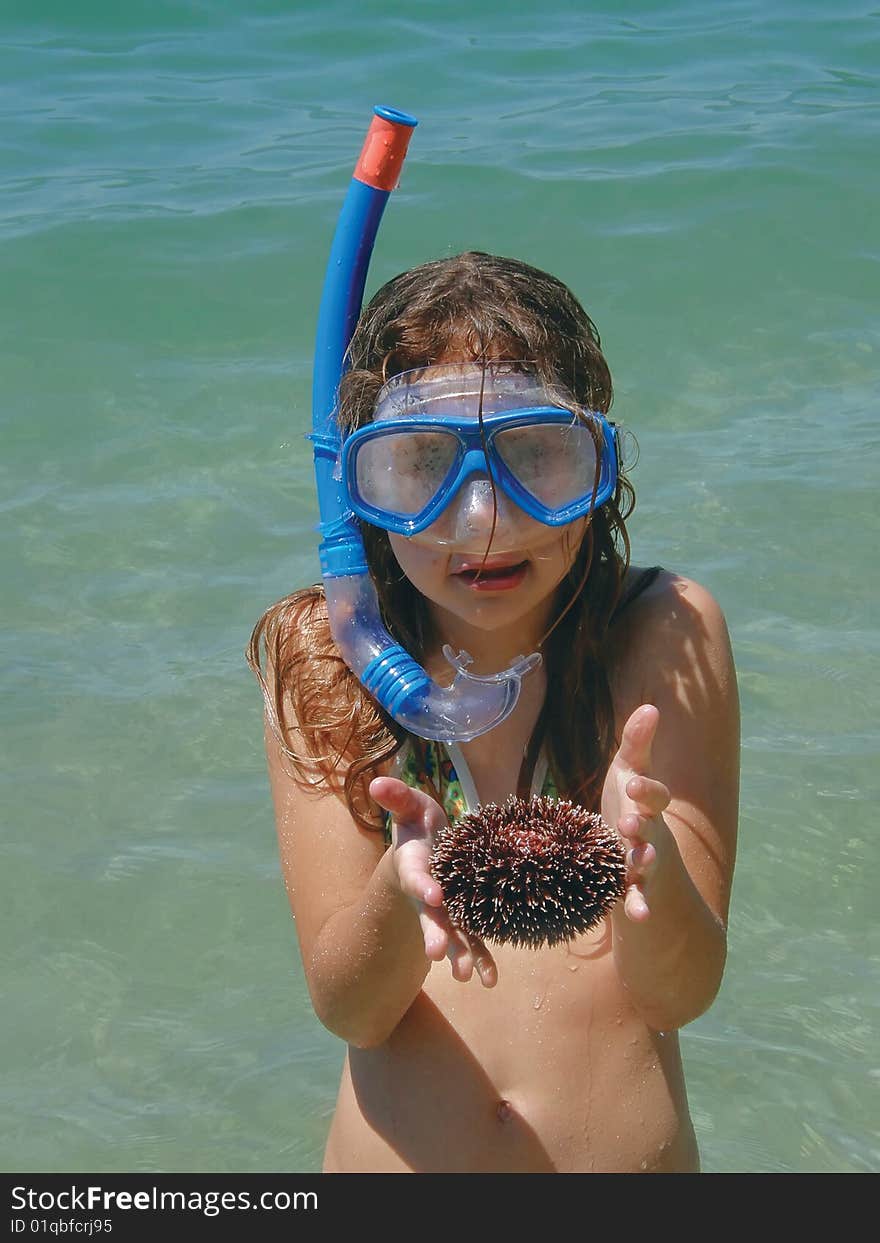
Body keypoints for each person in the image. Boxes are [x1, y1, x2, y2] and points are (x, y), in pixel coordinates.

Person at [248, 251, 740, 1173]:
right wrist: (402, 893)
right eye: (421, 466)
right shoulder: (323, 657)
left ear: (597, 461)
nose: (481, 519)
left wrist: (653, 866)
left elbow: (680, 993)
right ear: (359, 488)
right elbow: (353, 1010)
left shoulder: (663, 635)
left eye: (534, 457)